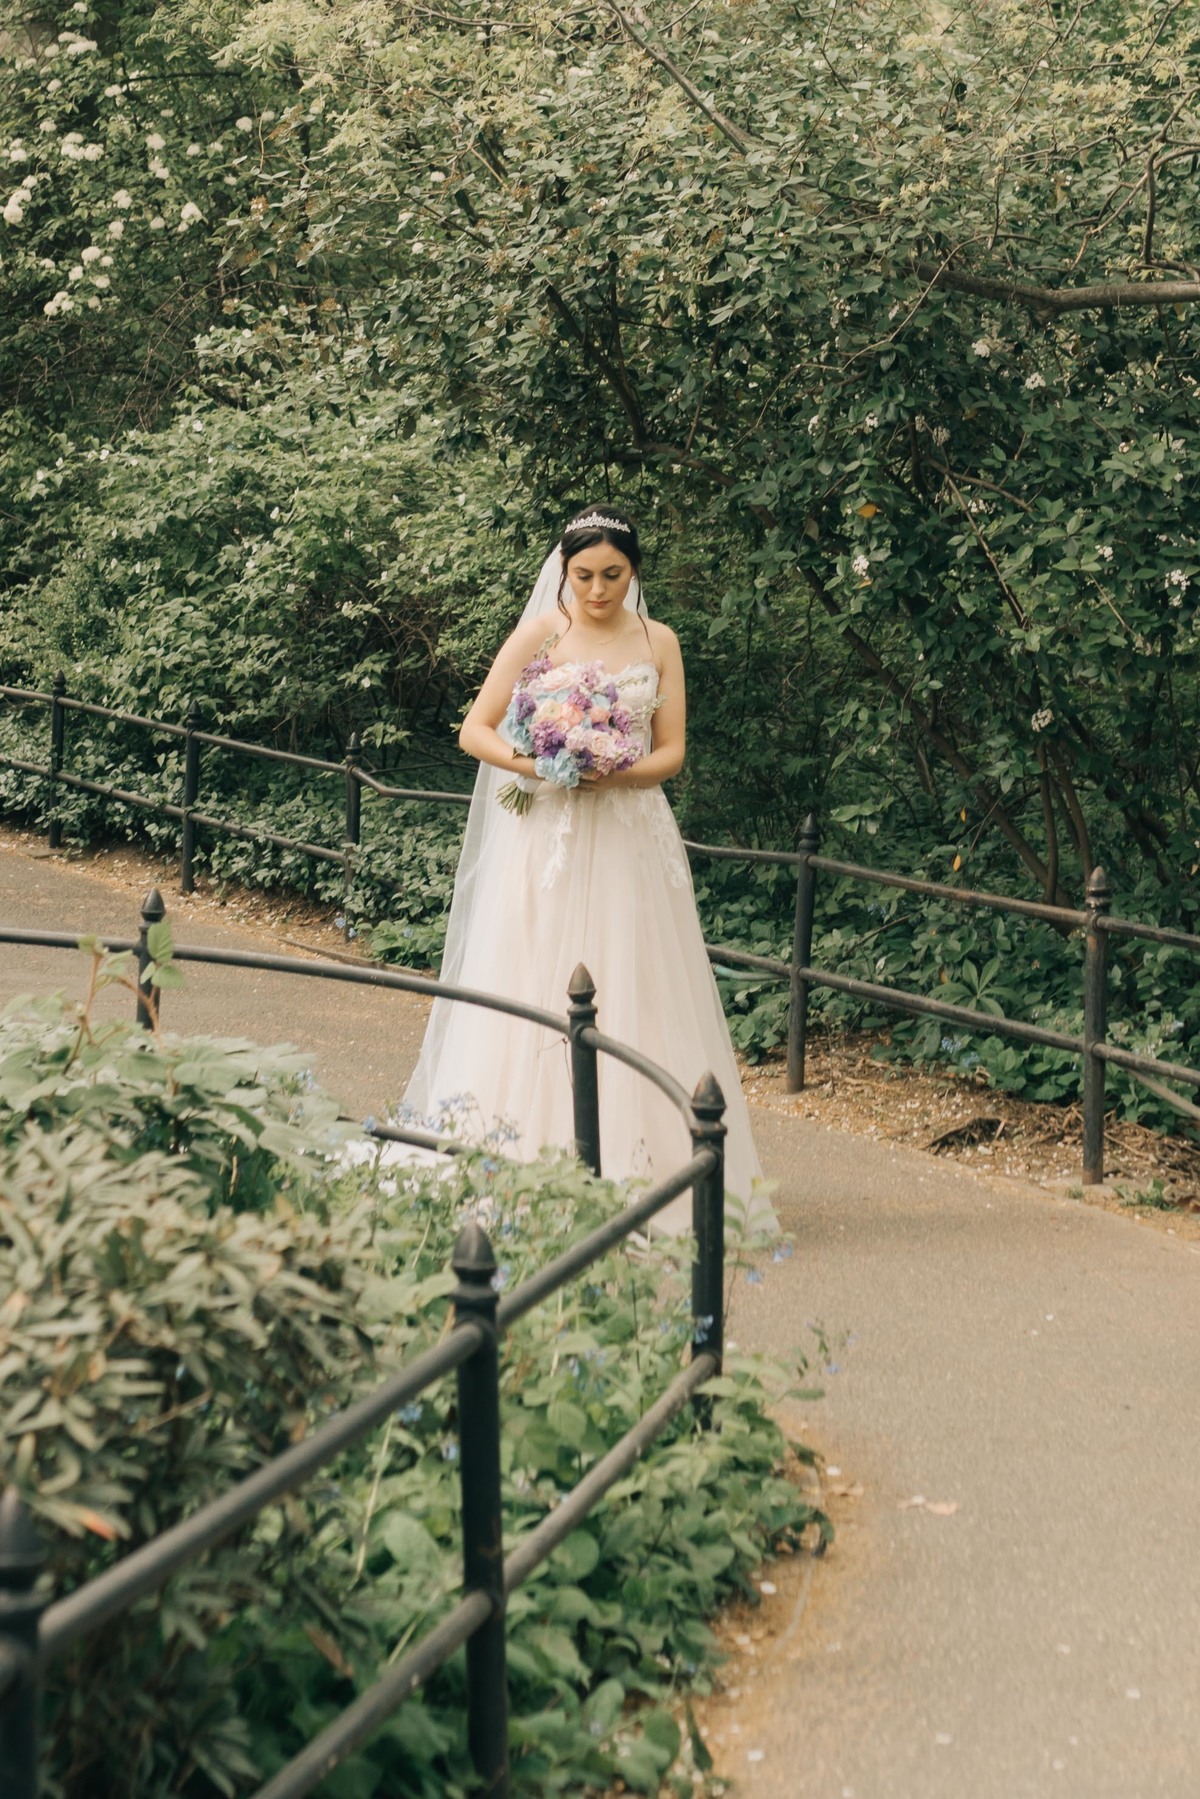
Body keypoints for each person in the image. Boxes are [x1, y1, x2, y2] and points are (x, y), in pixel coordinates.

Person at [404, 507, 775, 1234]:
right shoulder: (542, 633)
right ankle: (523, 1160)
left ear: (632, 570)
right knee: (538, 974)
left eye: (613, 574)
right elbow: (475, 728)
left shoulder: (657, 640)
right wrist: (545, 762)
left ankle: (645, 1171)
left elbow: (672, 752)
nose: (598, 589)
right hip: (550, 832)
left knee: (637, 978)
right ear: (563, 570)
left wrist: (617, 768)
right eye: (584, 575)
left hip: (631, 833)